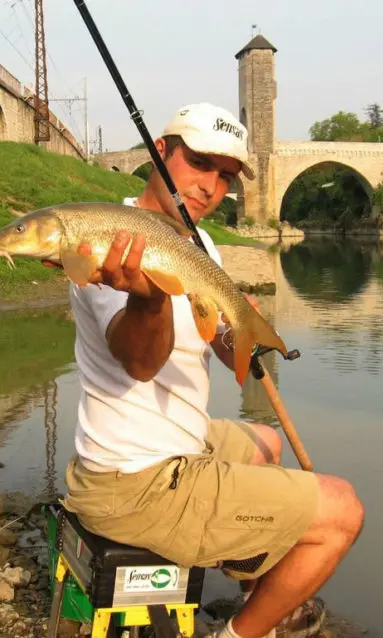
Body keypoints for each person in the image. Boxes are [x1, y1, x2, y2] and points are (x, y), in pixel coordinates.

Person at [59, 103, 365, 638]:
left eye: (224, 177)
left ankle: (258, 583)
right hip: (135, 483)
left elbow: (231, 358)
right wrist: (150, 300)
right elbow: (138, 363)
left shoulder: (200, 249)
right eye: (199, 163)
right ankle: (241, 634)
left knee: (267, 442)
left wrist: (240, 326)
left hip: (178, 443)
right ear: (161, 152)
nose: (209, 186)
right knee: (343, 511)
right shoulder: (113, 242)